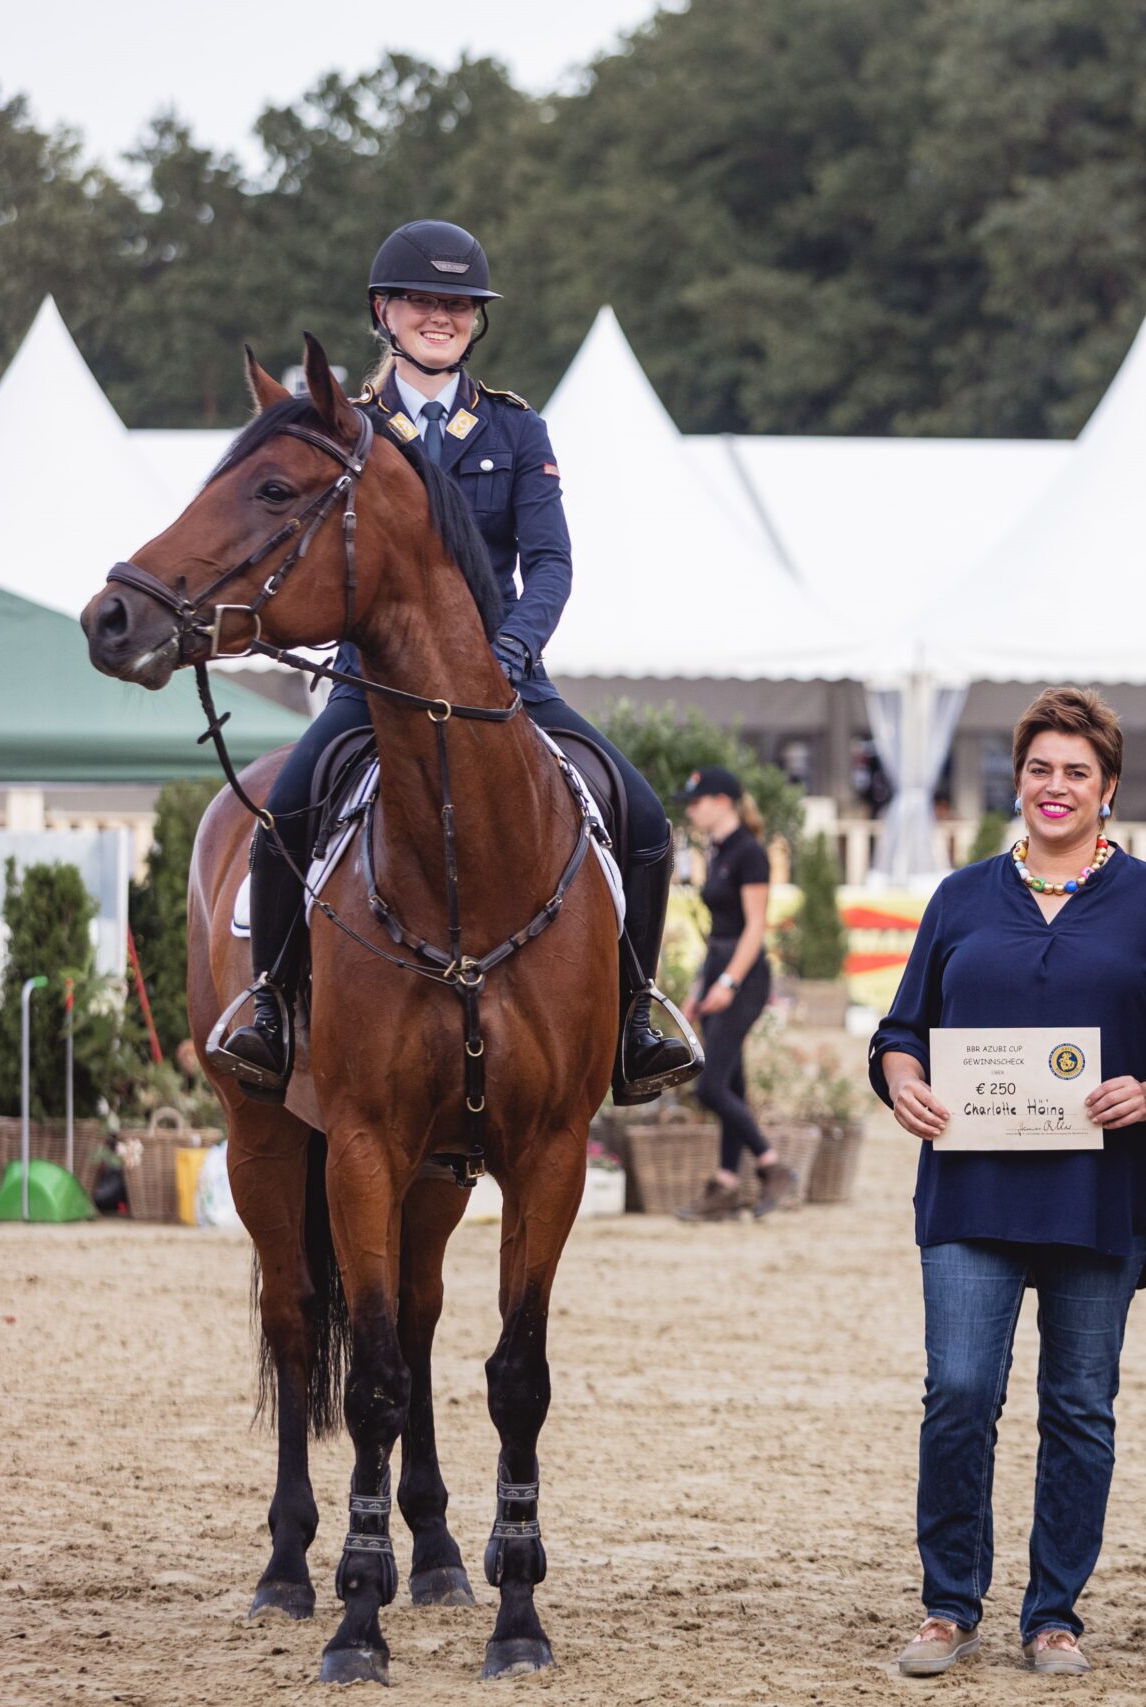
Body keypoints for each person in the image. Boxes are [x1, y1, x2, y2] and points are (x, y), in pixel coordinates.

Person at [211, 219, 694, 1104]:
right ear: (383, 312)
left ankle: (635, 1016)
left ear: (476, 321)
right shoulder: (349, 434)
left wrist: (512, 646)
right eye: (423, 301)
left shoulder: (514, 430)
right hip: (378, 691)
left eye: (458, 304)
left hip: (507, 683)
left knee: (646, 817)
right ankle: (272, 1007)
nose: (442, 316)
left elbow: (550, 563)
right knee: (284, 811)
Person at [870, 688, 1146, 1679]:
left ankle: (1053, 1614)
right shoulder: (961, 897)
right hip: (971, 1193)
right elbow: (901, 1029)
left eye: (1077, 774)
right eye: (1040, 770)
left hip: (1098, 1198)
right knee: (960, 1391)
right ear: (1018, 781)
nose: (1056, 789)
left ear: (1108, 790)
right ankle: (947, 1606)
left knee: (1080, 1405)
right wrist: (904, 1082)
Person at [673, 766, 795, 1222]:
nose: (691, 809)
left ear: (722, 800)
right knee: (732, 1083)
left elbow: (755, 927)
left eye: (697, 800)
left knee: (710, 1085)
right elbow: (718, 933)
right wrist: (699, 987)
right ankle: (726, 1183)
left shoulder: (749, 852)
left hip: (745, 977)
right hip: (720, 967)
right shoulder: (718, 849)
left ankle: (771, 1165)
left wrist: (728, 984)